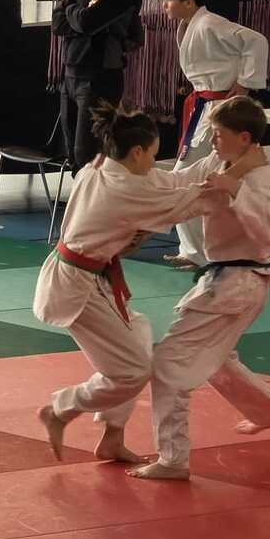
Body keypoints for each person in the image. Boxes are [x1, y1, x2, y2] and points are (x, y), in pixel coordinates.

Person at [34, 104, 253, 464]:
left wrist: (221, 154)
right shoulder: (124, 189)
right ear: (136, 152)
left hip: (90, 276)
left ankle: (112, 437)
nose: (154, 163)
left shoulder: (103, 164)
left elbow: (175, 181)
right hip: (76, 286)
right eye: (152, 155)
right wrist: (240, 171)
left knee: (139, 335)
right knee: (132, 371)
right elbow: (191, 200)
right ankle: (59, 410)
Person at [132, 96, 270, 481]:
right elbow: (180, 180)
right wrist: (132, 175)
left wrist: (235, 189)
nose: (212, 140)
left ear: (244, 137)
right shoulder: (219, 162)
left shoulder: (258, 178)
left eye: (218, 134)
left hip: (240, 283)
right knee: (216, 357)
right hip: (228, 280)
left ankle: (173, 459)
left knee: (169, 364)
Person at [160, 0, 269, 269]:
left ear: (188, 1)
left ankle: (206, 252)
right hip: (206, 107)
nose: (164, 5)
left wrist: (245, 82)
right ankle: (195, 251)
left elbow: (256, 41)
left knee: (186, 178)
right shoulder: (191, 25)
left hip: (219, 109)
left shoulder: (210, 23)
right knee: (193, 180)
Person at [52, 0, 145, 172]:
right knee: (73, 156)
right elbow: (58, 22)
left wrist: (73, 11)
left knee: (88, 156)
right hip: (71, 76)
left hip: (99, 78)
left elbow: (88, 22)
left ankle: (99, 199)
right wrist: (78, 13)